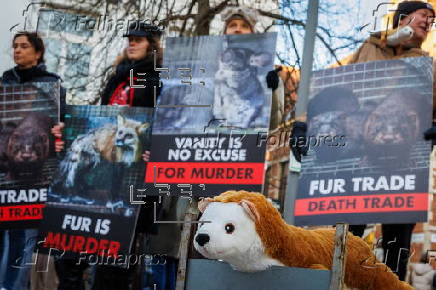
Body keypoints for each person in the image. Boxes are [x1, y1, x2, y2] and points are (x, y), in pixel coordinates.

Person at [54, 22, 162, 290]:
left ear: (152, 44)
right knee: (70, 253)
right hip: (102, 175)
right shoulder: (117, 78)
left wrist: (157, 150)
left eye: (138, 39)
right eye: (130, 39)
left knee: (115, 261)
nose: (131, 43)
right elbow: (103, 119)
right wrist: (65, 132)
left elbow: (168, 123)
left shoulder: (160, 80)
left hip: (134, 180)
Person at [341, 0, 435, 281]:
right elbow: (339, 85)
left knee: (397, 245)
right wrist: (301, 124)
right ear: (403, 18)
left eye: (432, 20)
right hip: (358, 164)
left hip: (403, 171)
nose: (429, 23)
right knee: (347, 238)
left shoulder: (427, 66)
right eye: (425, 17)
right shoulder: (368, 49)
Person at [0, 31, 65, 290]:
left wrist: (61, 129)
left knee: (22, 231)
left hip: (36, 174)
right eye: (15, 46)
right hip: (5, 168)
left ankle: (12, 285)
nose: (17, 51)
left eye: (24, 46)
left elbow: (62, 122)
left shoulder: (51, 84)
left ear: (37, 52)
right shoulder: (5, 82)